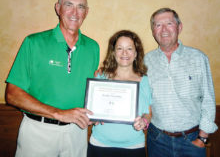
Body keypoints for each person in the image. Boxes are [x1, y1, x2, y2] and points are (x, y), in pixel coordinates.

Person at [5, 0, 99, 157]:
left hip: (77, 132)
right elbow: (12, 95)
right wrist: (59, 114)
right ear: (58, 8)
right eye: (68, 5)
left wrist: (97, 112)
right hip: (38, 132)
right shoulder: (34, 43)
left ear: (86, 12)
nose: (74, 12)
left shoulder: (93, 47)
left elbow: (88, 90)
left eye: (81, 7)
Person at [144, 8, 218, 157]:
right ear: (153, 31)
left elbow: (208, 99)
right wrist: (104, 75)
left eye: (169, 23)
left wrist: (202, 138)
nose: (164, 29)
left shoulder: (198, 58)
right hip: (157, 140)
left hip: (191, 141)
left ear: (179, 27)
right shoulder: (146, 61)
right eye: (158, 25)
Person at [87, 30, 152, 157]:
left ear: (136, 53)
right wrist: (92, 118)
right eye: (119, 48)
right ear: (114, 52)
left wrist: (144, 121)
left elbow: (148, 113)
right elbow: (90, 111)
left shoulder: (144, 81)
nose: (124, 53)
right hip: (100, 144)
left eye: (129, 48)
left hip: (133, 146)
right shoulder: (100, 77)